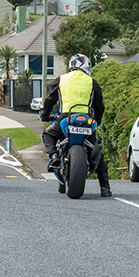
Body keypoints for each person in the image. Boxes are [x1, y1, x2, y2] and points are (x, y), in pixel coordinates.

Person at [41, 53, 112, 197]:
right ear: (86, 66)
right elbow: (99, 105)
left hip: (65, 118)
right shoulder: (92, 82)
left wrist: (44, 114)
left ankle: (54, 157)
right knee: (96, 149)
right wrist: (97, 120)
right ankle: (104, 187)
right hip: (87, 120)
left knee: (48, 134)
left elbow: (49, 100)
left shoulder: (61, 79)